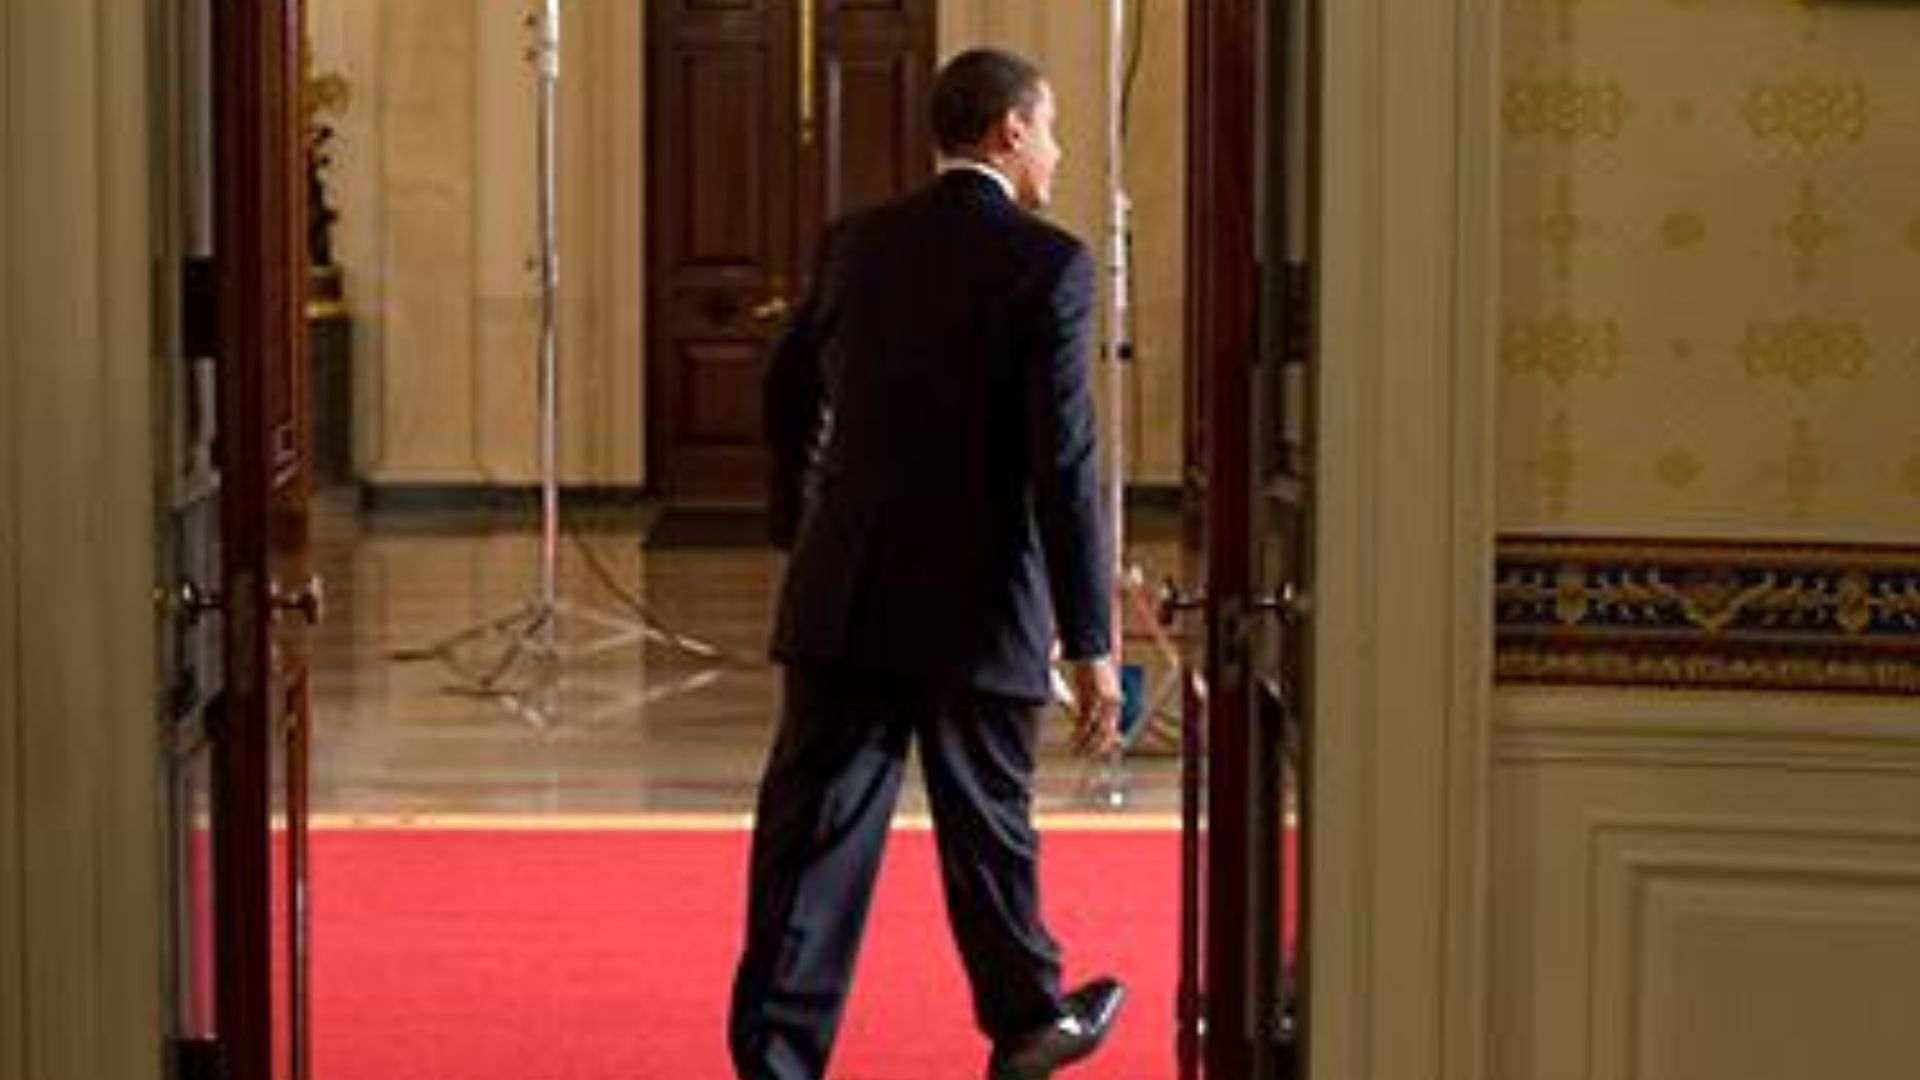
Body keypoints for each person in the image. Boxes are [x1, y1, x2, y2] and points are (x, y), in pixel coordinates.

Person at [728, 47, 1128, 1080]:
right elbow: (1065, 458)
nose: (1058, 150)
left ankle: (777, 1059)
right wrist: (1090, 639)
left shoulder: (858, 243)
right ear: (1008, 131)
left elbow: (784, 389)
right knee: (987, 829)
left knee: (812, 842)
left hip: (846, 587)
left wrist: (802, 520)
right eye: (1050, 128)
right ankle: (1029, 1024)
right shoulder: (1051, 265)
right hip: (981, 599)